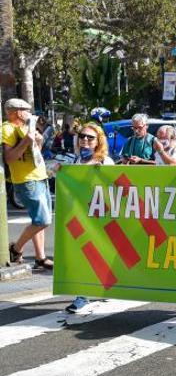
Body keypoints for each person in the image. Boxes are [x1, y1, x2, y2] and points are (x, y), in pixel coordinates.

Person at [64, 123, 114, 313]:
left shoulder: (105, 162)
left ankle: (101, 286)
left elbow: (113, 190)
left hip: (99, 218)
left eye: (90, 137)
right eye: (82, 136)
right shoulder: (75, 161)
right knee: (81, 255)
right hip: (78, 216)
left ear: (98, 141)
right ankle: (82, 295)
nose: (85, 140)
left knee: (97, 255)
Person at [2, 98, 54, 269]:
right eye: (26, 110)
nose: (29, 113)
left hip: (40, 176)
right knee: (43, 220)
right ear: (16, 111)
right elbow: (9, 158)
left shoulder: (27, 127)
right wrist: (26, 141)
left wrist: (38, 140)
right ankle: (16, 249)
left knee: (38, 218)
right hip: (26, 180)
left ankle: (40, 257)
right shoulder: (7, 128)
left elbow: (35, 152)